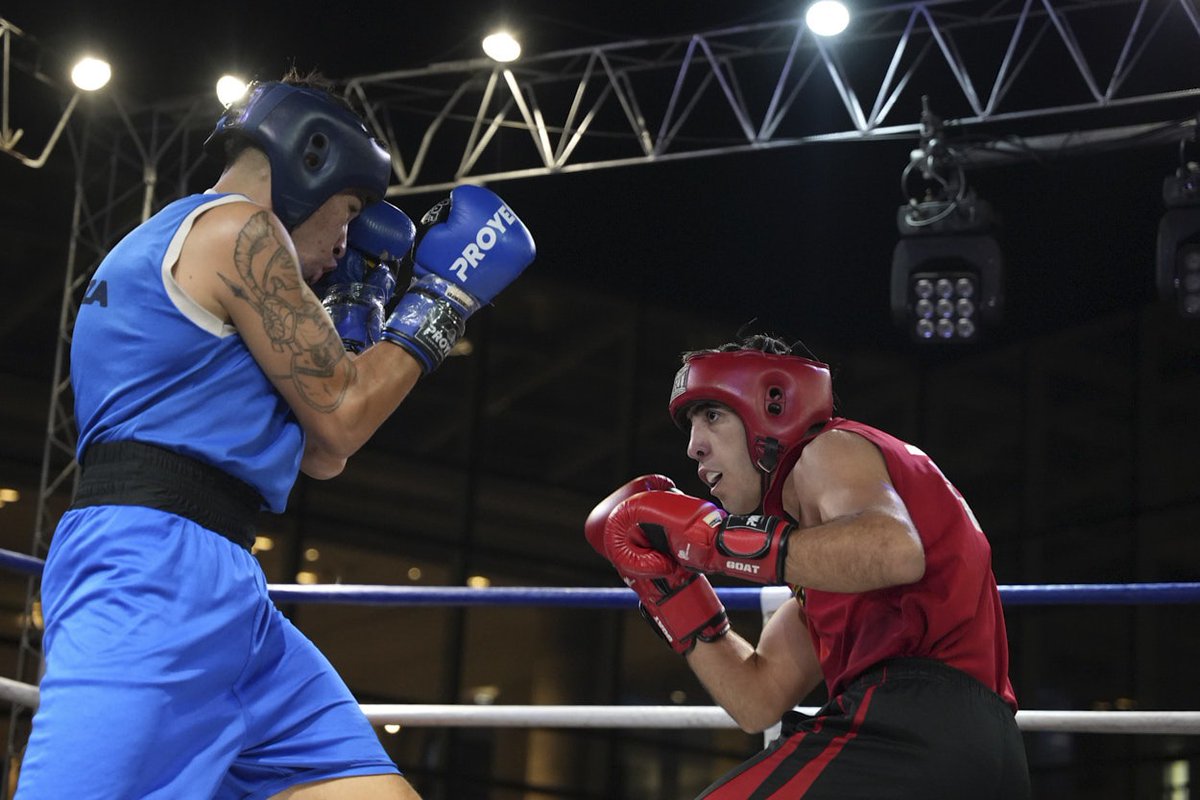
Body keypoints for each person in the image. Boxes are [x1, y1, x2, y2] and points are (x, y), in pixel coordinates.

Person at [17, 72, 535, 799]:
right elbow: (346, 412)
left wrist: (360, 311)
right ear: (311, 161)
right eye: (349, 211)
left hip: (226, 589)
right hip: (149, 574)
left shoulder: (176, 245)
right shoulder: (241, 232)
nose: (344, 242)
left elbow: (328, 451)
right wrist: (443, 300)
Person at [586, 334, 1031, 799]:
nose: (694, 447)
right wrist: (668, 589)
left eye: (712, 416)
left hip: (914, 725)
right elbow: (757, 699)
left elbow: (894, 550)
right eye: (692, 427)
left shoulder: (828, 449)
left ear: (771, 407)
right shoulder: (823, 564)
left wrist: (714, 541)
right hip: (979, 751)